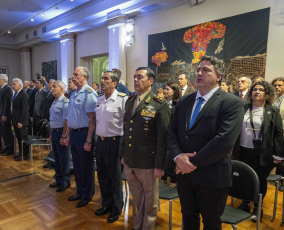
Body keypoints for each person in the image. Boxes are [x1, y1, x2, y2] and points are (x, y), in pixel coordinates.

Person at [167, 55, 244, 229]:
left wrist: (189, 163)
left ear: (219, 76)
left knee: (211, 222)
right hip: (185, 175)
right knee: (188, 216)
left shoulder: (231, 103)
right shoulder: (185, 101)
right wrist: (178, 156)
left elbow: (224, 141)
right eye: (198, 70)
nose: (200, 73)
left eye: (206, 70)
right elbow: (171, 132)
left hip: (212, 175)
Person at [121, 67, 170, 230]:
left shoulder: (158, 104)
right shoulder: (130, 101)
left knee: (150, 201)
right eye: (134, 77)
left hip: (148, 162)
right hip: (130, 159)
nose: (136, 80)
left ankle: (147, 227)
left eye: (140, 77)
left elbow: (163, 138)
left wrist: (159, 165)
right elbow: (126, 129)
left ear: (150, 81)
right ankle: (138, 225)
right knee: (138, 198)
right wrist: (124, 155)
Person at [233, 81, 284, 221]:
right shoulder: (243, 108)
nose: (257, 91)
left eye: (261, 90)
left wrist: (279, 154)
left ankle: (257, 207)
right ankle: (244, 202)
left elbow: (279, 133)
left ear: (267, 94)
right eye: (255, 89)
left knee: (260, 180)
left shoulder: (272, 111)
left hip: (262, 152)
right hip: (242, 150)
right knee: (244, 178)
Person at [94, 71, 127, 223]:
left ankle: (116, 208)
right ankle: (106, 204)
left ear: (115, 83)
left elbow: (127, 125)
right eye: (102, 78)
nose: (102, 81)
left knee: (114, 178)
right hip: (100, 141)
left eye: (106, 78)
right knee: (102, 176)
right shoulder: (99, 99)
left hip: (115, 142)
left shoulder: (122, 99)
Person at [65, 66, 97, 208]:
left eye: (76, 74)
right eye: (73, 74)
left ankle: (87, 195)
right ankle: (80, 191)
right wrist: (68, 134)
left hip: (84, 133)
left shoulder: (89, 93)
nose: (73, 76)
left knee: (86, 166)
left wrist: (89, 140)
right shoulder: (73, 93)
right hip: (74, 133)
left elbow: (92, 119)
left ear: (84, 77)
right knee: (77, 165)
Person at [48, 80, 71, 192]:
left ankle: (65, 181)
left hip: (61, 131)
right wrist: (51, 134)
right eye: (52, 86)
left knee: (63, 159)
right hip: (54, 132)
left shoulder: (65, 102)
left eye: (54, 86)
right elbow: (52, 119)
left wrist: (64, 136)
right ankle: (58, 179)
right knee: (56, 158)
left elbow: (66, 121)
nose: (52, 88)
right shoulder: (54, 101)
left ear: (62, 89)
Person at [11, 78, 29, 161]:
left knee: (23, 138)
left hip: (22, 121)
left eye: (14, 84)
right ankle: (20, 153)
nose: (13, 86)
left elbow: (25, 109)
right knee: (18, 137)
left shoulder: (23, 94)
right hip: (16, 120)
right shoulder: (16, 94)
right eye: (12, 84)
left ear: (20, 85)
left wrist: (21, 121)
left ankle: (25, 154)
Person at [0, 74, 14, 156]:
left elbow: (7, 103)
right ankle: (6, 147)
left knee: (7, 133)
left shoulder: (7, 89)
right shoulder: (1, 89)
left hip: (4, 115)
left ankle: (10, 149)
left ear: (3, 80)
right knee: (3, 133)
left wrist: (5, 114)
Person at [271, 77, 284, 191]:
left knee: (281, 159)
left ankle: (281, 181)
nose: (277, 87)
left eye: (280, 85)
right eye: (275, 85)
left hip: (282, 133)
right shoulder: (271, 99)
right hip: (270, 134)